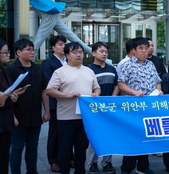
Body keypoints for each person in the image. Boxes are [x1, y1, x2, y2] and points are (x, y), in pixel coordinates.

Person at [46, 42, 101, 174]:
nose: (78, 55)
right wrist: (67, 95)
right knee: (65, 148)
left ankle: (80, 171)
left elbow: (97, 87)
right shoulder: (60, 72)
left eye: (80, 52)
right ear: (67, 55)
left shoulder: (89, 71)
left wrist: (96, 94)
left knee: (82, 148)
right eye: (74, 52)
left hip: (85, 116)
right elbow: (49, 90)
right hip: (66, 117)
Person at [118, 37, 163, 174]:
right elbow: (121, 84)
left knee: (147, 136)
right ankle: (127, 168)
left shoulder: (151, 64)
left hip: (149, 108)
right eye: (141, 48)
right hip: (133, 108)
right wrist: (134, 92)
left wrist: (159, 90)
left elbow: (157, 81)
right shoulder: (127, 64)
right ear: (134, 50)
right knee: (132, 137)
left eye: (146, 48)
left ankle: (143, 167)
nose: (144, 51)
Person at [6, 39, 50, 174]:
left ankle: (32, 171)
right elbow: (6, 96)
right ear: (18, 52)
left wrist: (47, 111)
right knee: (17, 147)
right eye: (28, 49)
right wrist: (12, 117)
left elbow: (44, 91)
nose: (32, 52)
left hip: (35, 115)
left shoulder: (37, 69)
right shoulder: (10, 70)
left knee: (33, 147)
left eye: (33, 49)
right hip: (18, 116)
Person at [41, 35, 74, 172]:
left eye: (65, 44)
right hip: (56, 103)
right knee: (55, 133)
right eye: (60, 44)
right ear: (53, 47)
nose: (63, 46)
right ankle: (53, 160)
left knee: (69, 132)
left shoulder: (70, 61)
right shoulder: (48, 63)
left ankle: (69, 157)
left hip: (71, 102)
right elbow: (50, 85)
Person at [87, 42, 119, 174]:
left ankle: (107, 162)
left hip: (109, 108)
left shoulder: (112, 69)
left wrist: (112, 98)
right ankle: (92, 163)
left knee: (109, 136)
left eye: (106, 51)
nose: (104, 53)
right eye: (101, 51)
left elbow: (117, 85)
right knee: (93, 137)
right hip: (94, 109)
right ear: (93, 53)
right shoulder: (88, 70)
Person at [0, 39, 26, 174]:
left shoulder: (4, 71)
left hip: (6, 121)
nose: (8, 54)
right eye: (5, 52)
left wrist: (13, 96)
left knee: (4, 160)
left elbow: (5, 93)